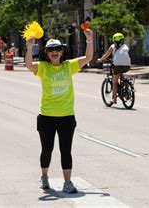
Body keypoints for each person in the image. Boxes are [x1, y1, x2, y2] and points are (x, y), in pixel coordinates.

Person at [25, 29, 93, 194]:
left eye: (57, 49)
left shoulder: (69, 66)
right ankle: (44, 176)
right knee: (47, 149)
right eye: (51, 50)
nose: (54, 52)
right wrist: (29, 48)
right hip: (46, 116)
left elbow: (88, 58)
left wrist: (89, 40)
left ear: (62, 51)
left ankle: (67, 182)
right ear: (47, 54)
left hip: (66, 116)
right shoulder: (43, 67)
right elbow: (29, 65)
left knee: (66, 150)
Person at [97, 32, 131, 105]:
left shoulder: (113, 46)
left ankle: (114, 99)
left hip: (118, 66)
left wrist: (100, 60)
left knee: (114, 82)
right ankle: (125, 86)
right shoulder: (125, 46)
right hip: (128, 66)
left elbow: (106, 54)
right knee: (121, 73)